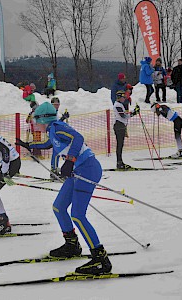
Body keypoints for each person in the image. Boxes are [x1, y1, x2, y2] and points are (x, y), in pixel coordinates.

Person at [15, 102, 113, 275]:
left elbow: (78, 138)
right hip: (77, 171)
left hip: (87, 169)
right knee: (59, 207)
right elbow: (49, 144)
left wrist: (70, 160)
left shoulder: (58, 126)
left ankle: (100, 258)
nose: (34, 123)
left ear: (44, 118)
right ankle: (72, 245)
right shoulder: (52, 130)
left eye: (36, 119)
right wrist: (30, 145)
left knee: (78, 215)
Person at [113, 91, 140, 169]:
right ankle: (119, 163)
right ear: (119, 97)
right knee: (119, 145)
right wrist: (134, 113)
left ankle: (120, 162)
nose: (124, 98)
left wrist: (134, 111)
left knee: (120, 145)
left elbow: (125, 114)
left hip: (121, 126)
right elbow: (123, 116)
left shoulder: (120, 104)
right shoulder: (117, 105)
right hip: (119, 126)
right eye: (123, 97)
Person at [49, 97, 70, 178]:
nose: (57, 106)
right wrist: (62, 118)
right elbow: (54, 124)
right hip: (53, 134)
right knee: (57, 152)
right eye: (55, 105)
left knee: (58, 152)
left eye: (58, 104)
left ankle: (55, 169)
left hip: (56, 134)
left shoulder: (55, 112)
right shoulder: (51, 112)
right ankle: (53, 170)